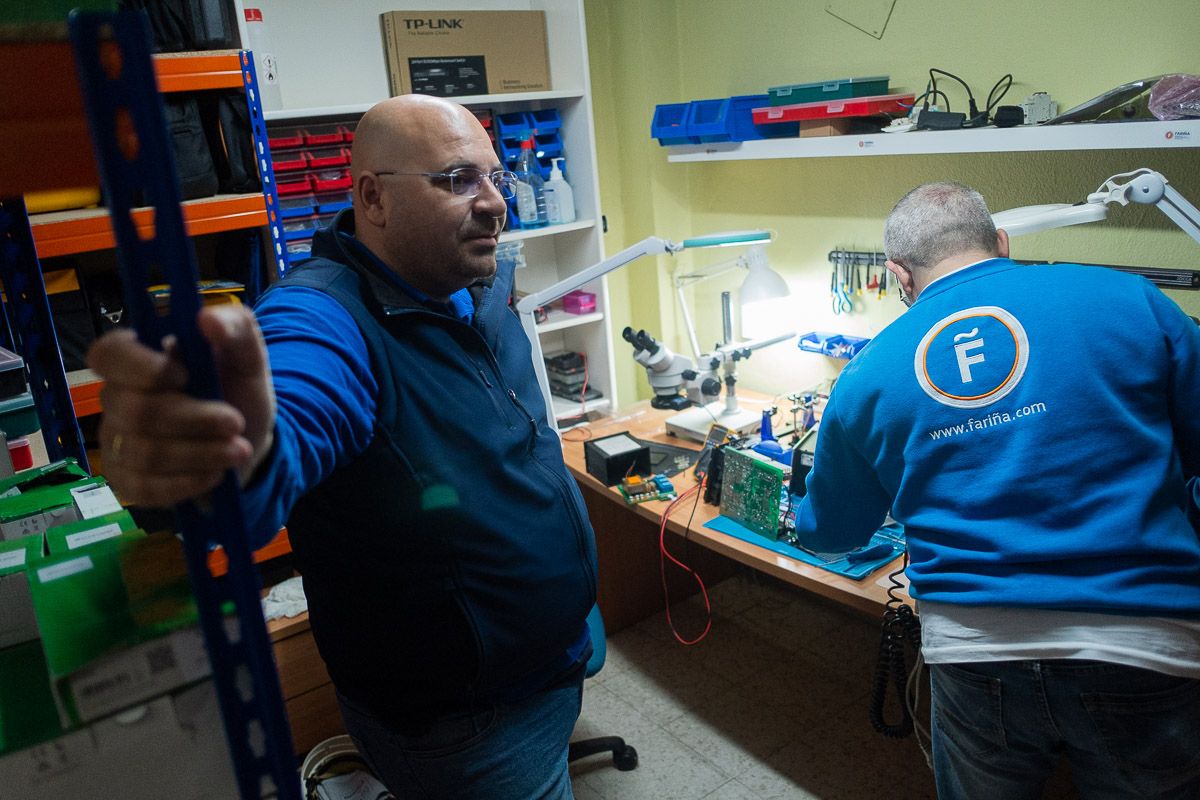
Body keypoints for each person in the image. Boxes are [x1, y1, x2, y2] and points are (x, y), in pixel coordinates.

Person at [87, 94, 598, 799]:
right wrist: (230, 460)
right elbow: (286, 423)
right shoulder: (321, 318)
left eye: (496, 176)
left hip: (544, 662)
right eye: (457, 180)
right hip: (469, 721)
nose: (493, 203)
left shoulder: (467, 283)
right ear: (372, 198)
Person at [790, 181, 1200, 799]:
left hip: (975, 652)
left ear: (898, 276)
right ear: (1000, 242)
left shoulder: (867, 372)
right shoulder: (1128, 298)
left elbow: (832, 533)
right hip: (1143, 640)